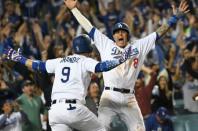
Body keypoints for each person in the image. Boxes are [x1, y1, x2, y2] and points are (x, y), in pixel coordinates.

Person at [64, 0, 189, 130]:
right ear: (113, 36)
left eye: (123, 31)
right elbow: (88, 27)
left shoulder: (138, 47)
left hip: (129, 98)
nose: (120, 34)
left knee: (139, 129)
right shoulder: (106, 44)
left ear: (128, 35)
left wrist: (175, 18)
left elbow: (158, 33)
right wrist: (74, 10)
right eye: (117, 32)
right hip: (109, 96)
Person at [4, 34, 132, 131]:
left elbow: (38, 65)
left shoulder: (60, 61)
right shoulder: (84, 60)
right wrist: (121, 59)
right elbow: (102, 67)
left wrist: (19, 58)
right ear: (88, 48)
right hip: (74, 109)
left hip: (55, 111)